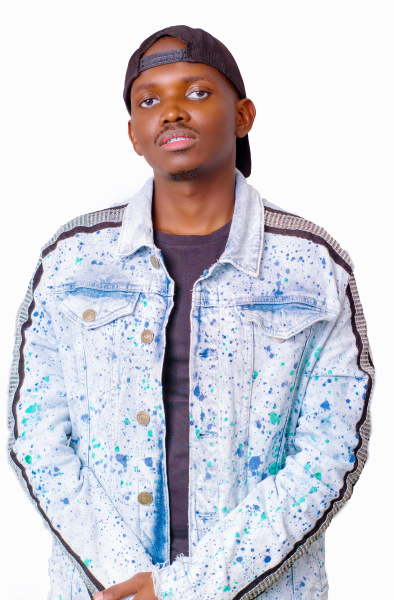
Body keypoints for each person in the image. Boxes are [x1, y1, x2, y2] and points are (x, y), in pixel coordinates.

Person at [8, 25, 374, 600]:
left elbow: (330, 454)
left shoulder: (312, 265)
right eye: (149, 100)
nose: (172, 111)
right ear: (134, 134)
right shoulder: (73, 259)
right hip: (102, 589)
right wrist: (128, 580)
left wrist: (187, 588)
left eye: (197, 92)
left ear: (244, 115)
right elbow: (36, 438)